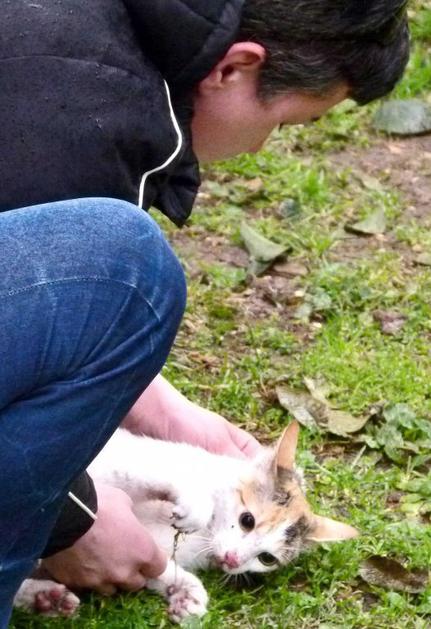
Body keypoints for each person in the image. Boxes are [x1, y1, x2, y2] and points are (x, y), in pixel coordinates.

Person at [0, 0, 409, 625]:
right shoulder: (104, 120)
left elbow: (37, 298)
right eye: (285, 124)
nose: (264, 147)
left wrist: (162, 408)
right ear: (234, 68)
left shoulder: (79, 32)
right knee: (132, 272)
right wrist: (72, 517)